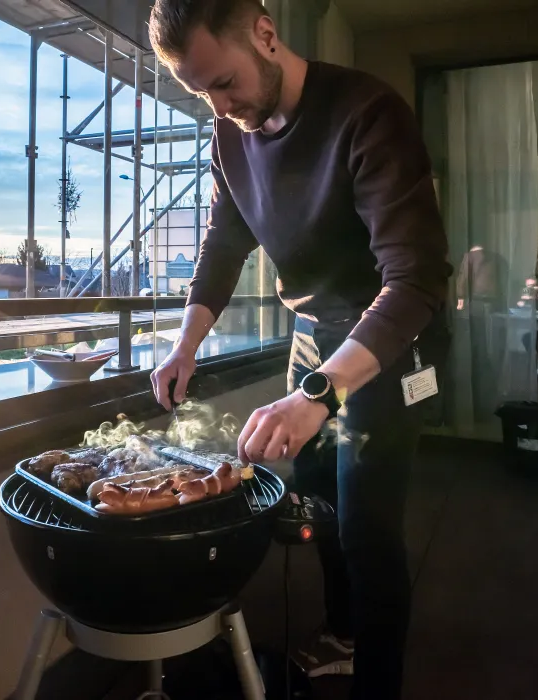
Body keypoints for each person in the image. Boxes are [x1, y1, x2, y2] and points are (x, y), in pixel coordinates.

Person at [146, 2, 451, 699]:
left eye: (224, 83)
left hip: (390, 339)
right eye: (201, 95)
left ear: (264, 34)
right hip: (312, 334)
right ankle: (346, 632)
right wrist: (184, 345)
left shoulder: (368, 112)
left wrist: (318, 393)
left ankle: (379, 682)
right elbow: (224, 244)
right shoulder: (229, 137)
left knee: (369, 524)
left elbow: (415, 280)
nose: (221, 107)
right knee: (316, 496)